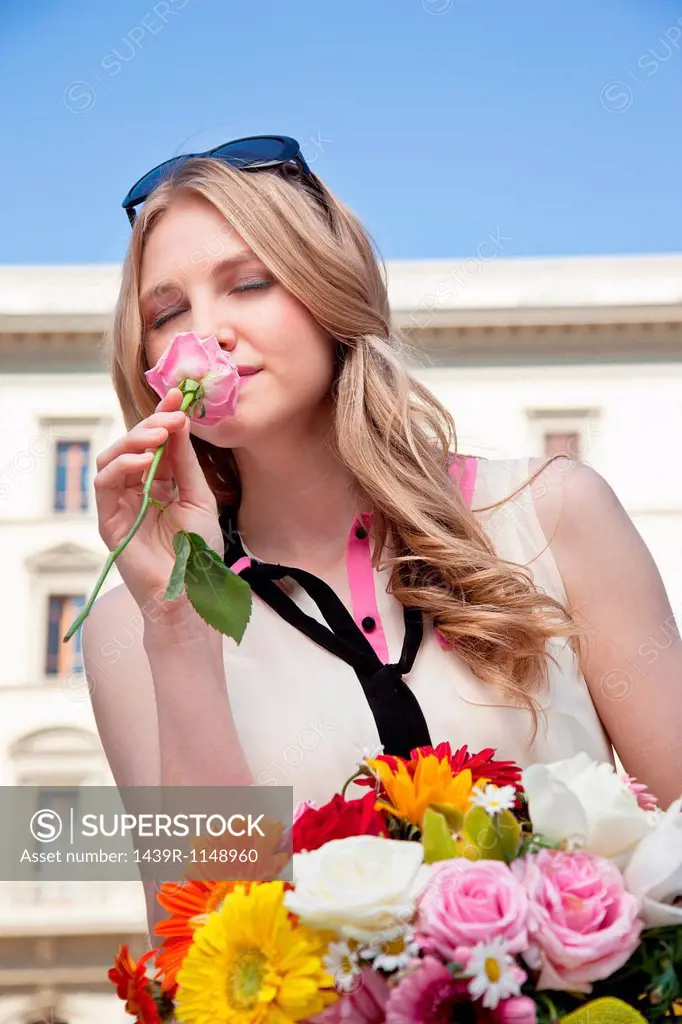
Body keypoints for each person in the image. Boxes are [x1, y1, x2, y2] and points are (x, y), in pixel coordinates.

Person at [82, 135, 682, 925]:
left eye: (250, 282)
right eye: (168, 313)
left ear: (331, 291)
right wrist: (178, 629)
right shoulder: (135, 623)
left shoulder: (552, 512)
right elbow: (200, 947)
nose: (208, 334)